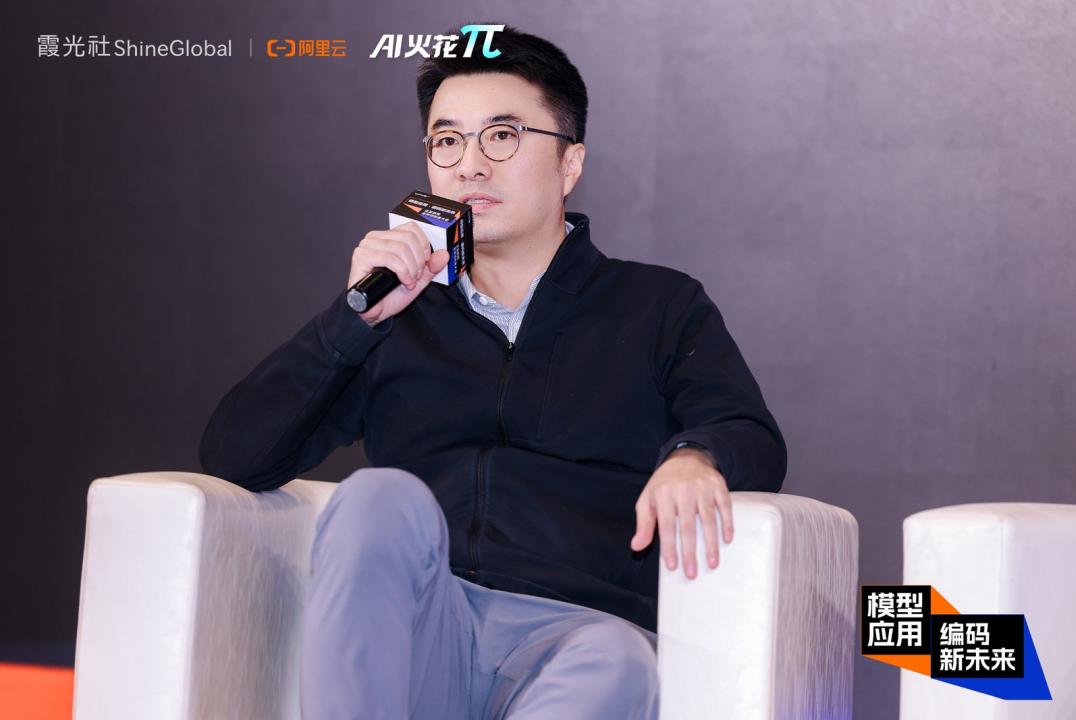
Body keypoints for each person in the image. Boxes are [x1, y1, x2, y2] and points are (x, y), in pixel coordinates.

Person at [199, 25, 786, 720]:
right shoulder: (397, 318)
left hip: (578, 633)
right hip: (427, 633)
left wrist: (695, 455)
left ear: (570, 163)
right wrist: (352, 320)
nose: (470, 165)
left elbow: (749, 432)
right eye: (447, 141)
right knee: (378, 495)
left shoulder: (657, 305)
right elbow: (234, 456)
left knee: (618, 660)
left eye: (502, 136)